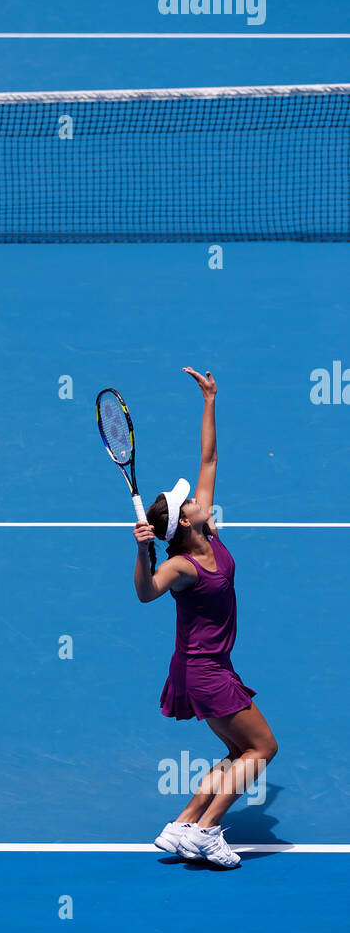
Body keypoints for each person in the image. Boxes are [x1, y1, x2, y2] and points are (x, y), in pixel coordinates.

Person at [133, 368, 278, 868]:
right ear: (183, 522)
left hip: (213, 665)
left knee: (241, 752)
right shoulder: (180, 563)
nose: (195, 498)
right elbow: (147, 594)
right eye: (187, 502)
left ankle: (183, 823)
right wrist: (142, 554)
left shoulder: (205, 528)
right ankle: (207, 831)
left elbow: (209, 457)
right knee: (262, 749)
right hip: (204, 671)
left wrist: (210, 399)